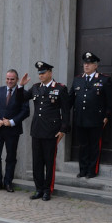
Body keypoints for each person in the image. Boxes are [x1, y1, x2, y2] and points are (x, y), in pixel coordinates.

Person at [17, 61, 71, 201]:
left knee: (49, 162)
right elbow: (21, 98)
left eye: (43, 73)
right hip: (37, 130)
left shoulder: (60, 88)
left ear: (50, 73)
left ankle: (48, 190)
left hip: (52, 131)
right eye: (39, 73)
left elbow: (65, 111)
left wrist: (63, 130)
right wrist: (21, 86)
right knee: (37, 162)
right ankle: (39, 189)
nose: (41, 75)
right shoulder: (35, 88)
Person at [69, 52, 112, 179]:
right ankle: (82, 169)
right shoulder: (78, 79)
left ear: (95, 65)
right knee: (82, 145)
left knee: (94, 146)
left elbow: (110, 101)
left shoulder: (104, 80)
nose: (86, 66)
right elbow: (70, 98)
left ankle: (92, 170)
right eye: (85, 63)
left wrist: (106, 115)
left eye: (89, 64)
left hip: (96, 119)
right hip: (80, 119)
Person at [0, 69, 30, 192]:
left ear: (17, 80)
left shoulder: (23, 93)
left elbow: (25, 111)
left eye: (12, 79)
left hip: (13, 130)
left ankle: (8, 183)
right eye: (7, 79)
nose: (9, 81)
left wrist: (11, 122)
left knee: (11, 157)